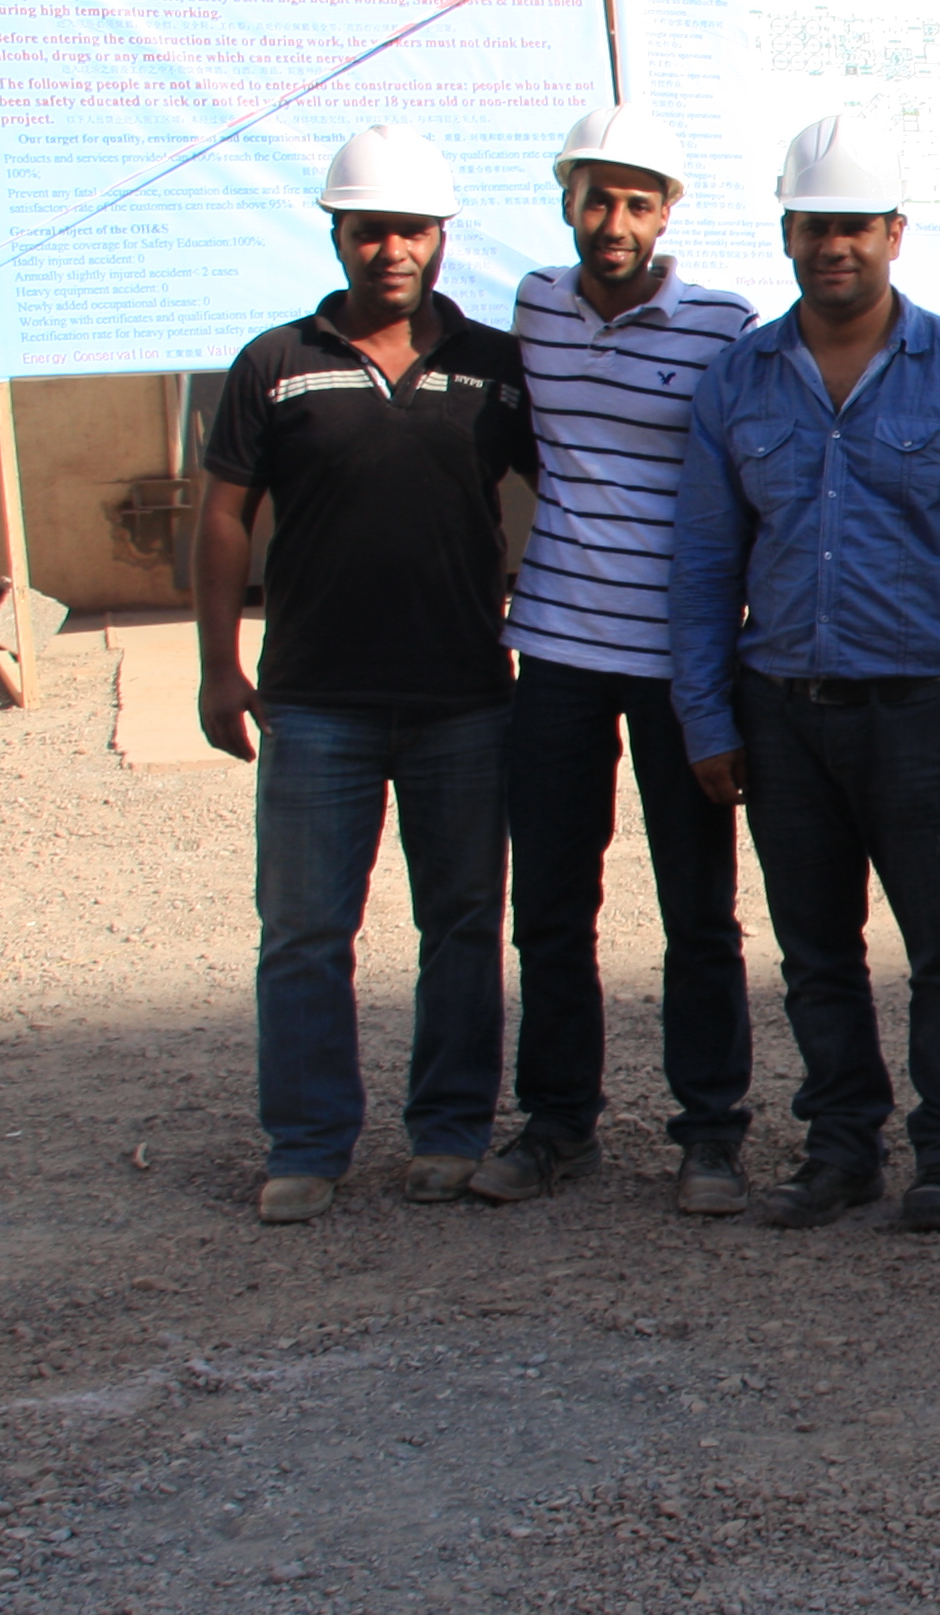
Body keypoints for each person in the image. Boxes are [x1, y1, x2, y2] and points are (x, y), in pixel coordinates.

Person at [667, 114, 940, 1234]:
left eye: (856, 227)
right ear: (787, 233)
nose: (834, 246)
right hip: (780, 714)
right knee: (815, 952)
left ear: (895, 233)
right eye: (813, 226)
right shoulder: (738, 380)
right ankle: (841, 1148)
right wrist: (706, 717)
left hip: (922, 714)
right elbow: (704, 562)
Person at [196, 126, 535, 1225]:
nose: (392, 250)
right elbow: (223, 515)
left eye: (413, 231)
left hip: (463, 700)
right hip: (314, 701)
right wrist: (217, 668)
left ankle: (449, 1132)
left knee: (464, 927)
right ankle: (306, 1144)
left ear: (443, 237)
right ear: (337, 235)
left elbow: (580, 488)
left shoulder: (497, 366)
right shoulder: (275, 363)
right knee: (303, 934)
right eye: (370, 230)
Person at [481, 102, 761, 1216]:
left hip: (680, 661)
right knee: (553, 903)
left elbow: (747, 476)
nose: (615, 222)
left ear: (668, 214)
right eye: (597, 199)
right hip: (555, 650)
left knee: (699, 910)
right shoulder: (535, 306)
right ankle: (558, 1125)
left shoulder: (723, 325)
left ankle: (712, 1134)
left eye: (638, 203)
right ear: (567, 200)